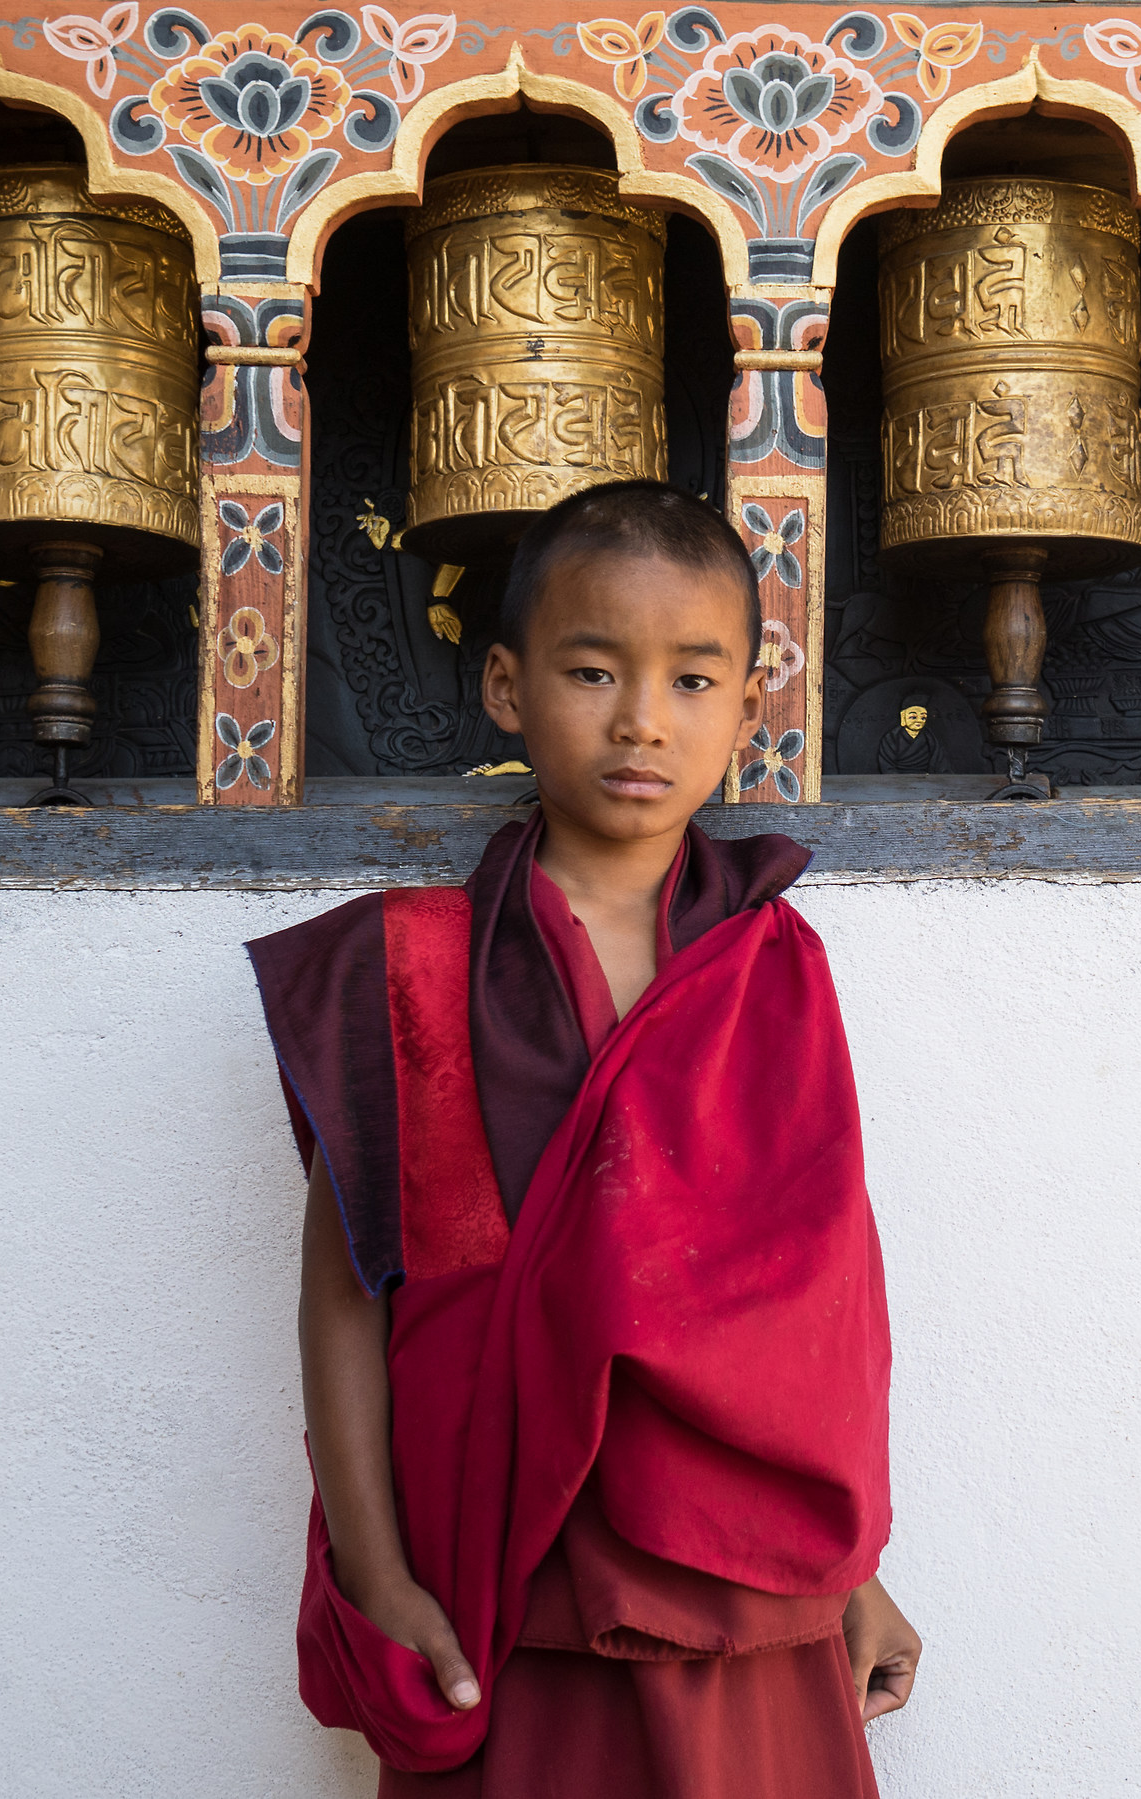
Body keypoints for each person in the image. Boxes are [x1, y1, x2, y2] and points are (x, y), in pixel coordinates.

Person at [247, 480, 920, 1797]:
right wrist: (377, 1581)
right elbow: (347, 1302)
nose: (639, 722)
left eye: (689, 680)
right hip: (511, 1597)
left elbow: (822, 1316)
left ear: (747, 704)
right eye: (594, 670)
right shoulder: (413, 977)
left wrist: (853, 1574)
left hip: (747, 1608)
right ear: (508, 687)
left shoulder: (771, 968)